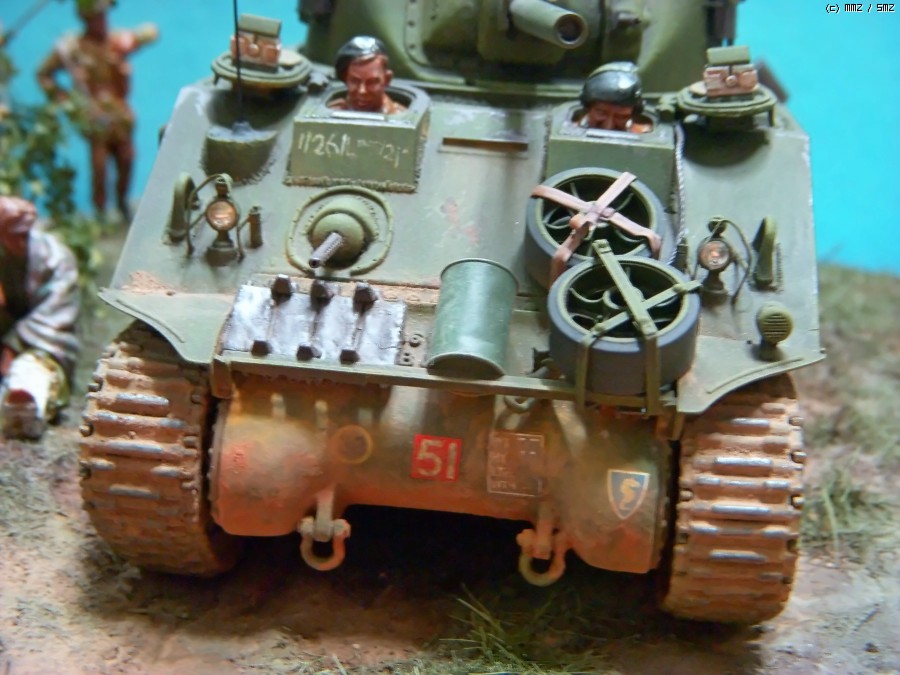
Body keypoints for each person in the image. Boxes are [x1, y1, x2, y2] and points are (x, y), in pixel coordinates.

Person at [37, 0, 158, 220]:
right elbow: (43, 74)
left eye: (103, 16)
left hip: (120, 116)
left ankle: (122, 205)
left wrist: (135, 38)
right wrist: (66, 101)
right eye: (96, 17)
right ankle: (100, 214)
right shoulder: (72, 48)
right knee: (100, 169)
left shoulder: (116, 40)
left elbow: (151, 32)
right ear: (86, 19)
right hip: (93, 117)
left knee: (127, 160)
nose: (101, 21)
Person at [0, 196, 80, 439]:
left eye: (23, 234)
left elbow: (55, 314)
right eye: (11, 234)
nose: (19, 241)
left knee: (30, 377)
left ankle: (25, 405)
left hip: (41, 345)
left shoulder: (56, 259)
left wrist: (11, 347)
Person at [329, 36, 406, 114]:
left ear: (387, 79)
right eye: (354, 81)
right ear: (345, 78)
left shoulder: (400, 115)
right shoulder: (332, 111)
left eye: (372, 82)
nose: (362, 91)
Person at [578, 62, 652, 133]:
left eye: (621, 117)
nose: (608, 127)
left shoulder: (643, 135)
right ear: (588, 108)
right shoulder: (572, 130)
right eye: (601, 113)